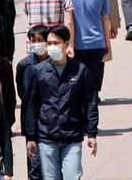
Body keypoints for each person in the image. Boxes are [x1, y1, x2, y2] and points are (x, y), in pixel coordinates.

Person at [24, 25, 99, 180]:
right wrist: (30, 136)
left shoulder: (80, 70)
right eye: (49, 43)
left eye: (56, 43)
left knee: (73, 176)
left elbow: (90, 102)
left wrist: (92, 132)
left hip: (72, 135)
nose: (52, 47)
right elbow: (31, 105)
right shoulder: (38, 71)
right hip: (46, 136)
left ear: (66, 44)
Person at [65, 0, 112, 95]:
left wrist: (68, 44)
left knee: (74, 82)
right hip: (96, 43)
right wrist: (107, 42)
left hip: (75, 44)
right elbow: (106, 19)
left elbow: (67, 20)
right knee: (92, 84)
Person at [16, 25, 50, 180]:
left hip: (52, 121)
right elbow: (23, 93)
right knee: (34, 166)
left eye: (40, 40)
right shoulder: (24, 65)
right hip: (31, 121)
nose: (37, 43)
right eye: (33, 40)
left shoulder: (56, 62)